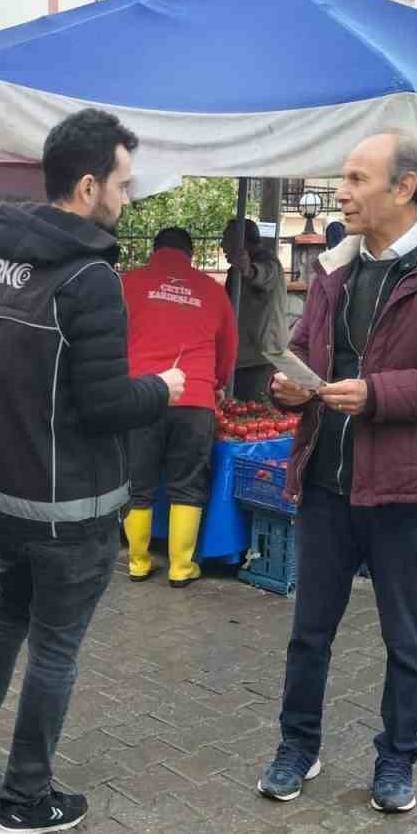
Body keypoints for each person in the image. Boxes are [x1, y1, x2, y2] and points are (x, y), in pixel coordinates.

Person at [0, 108, 186, 834]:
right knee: (54, 645)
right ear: (86, 186)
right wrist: (167, 388)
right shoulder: (88, 278)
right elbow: (109, 404)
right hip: (69, 506)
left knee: (8, 615)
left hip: (1, 494)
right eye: (120, 183)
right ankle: (25, 800)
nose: (125, 198)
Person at [260, 130, 417, 814]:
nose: (340, 193)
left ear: (404, 187)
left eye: (356, 179)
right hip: (326, 482)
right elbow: (306, 348)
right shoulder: (335, 268)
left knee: (405, 635)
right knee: (309, 629)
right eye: (342, 178)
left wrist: (379, 395)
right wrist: (287, 386)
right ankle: (296, 747)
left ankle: (397, 759)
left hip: (409, 489)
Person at [121, 226, 237, 587]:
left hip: (140, 396)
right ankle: (180, 567)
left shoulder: (128, 284)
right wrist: (215, 385)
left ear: (154, 250)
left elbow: (110, 337)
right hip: (194, 399)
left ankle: (138, 562)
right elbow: (228, 350)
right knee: (187, 484)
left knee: (137, 483)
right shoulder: (212, 291)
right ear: (190, 253)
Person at [222, 217, 289, 400]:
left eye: (226, 239)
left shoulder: (268, 261)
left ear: (240, 242)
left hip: (260, 357)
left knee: (255, 412)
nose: (222, 245)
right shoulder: (233, 271)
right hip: (242, 355)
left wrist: (247, 269)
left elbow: (262, 274)